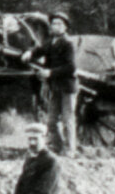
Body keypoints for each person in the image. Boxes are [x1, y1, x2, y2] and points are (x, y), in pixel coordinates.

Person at [28, 11, 79, 154]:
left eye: (59, 24)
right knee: (51, 120)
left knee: (68, 118)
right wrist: (30, 53)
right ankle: (57, 146)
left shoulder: (68, 43)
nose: (56, 26)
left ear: (65, 27)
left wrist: (50, 72)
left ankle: (70, 150)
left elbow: (71, 67)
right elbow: (40, 50)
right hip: (55, 86)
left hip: (67, 87)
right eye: (53, 24)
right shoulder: (51, 42)